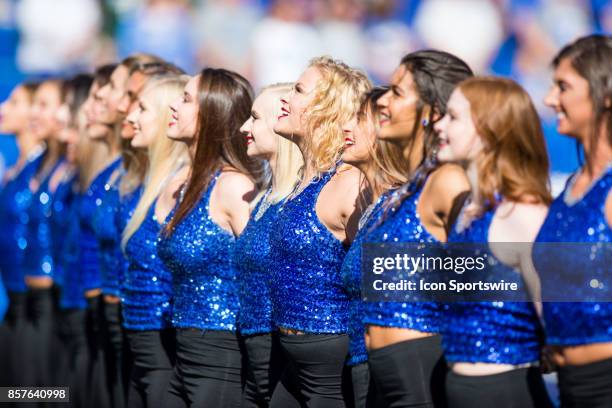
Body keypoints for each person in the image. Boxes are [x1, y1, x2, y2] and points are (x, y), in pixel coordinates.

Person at [362, 50, 473, 408]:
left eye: (397, 92)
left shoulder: (448, 179)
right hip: (386, 371)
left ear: (434, 112)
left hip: (421, 368)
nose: (382, 101)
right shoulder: (413, 185)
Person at [434, 77, 553, 407]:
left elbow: (562, 322)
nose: (439, 125)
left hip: (507, 390)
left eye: (453, 117)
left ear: (489, 129)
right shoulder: (468, 210)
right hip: (460, 388)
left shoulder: (522, 212)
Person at [268, 56, 371, 407]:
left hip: (329, 367)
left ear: (328, 109)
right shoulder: (303, 178)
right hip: (294, 360)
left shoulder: (347, 183)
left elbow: (373, 275)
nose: (286, 98)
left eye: (298, 90)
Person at [158, 68, 263, 408]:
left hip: (222, 357)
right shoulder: (187, 185)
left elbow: (262, 270)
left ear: (213, 116)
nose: (174, 105)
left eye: (186, 99)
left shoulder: (233, 186)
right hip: (182, 350)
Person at [535, 34, 612, 407]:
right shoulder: (572, 184)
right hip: (568, 385)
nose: (550, 100)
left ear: (605, 94)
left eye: (563, 87)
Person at [236, 83, 303, 408]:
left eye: (255, 118)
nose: (244, 127)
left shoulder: (297, 201)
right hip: (250, 350)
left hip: (282, 355)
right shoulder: (262, 197)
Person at [0, 81, 44, 387]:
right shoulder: (16, 166)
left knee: (32, 390)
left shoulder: (42, 169)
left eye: (14, 103)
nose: (2, 109)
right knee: (10, 390)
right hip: (11, 295)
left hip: (34, 298)